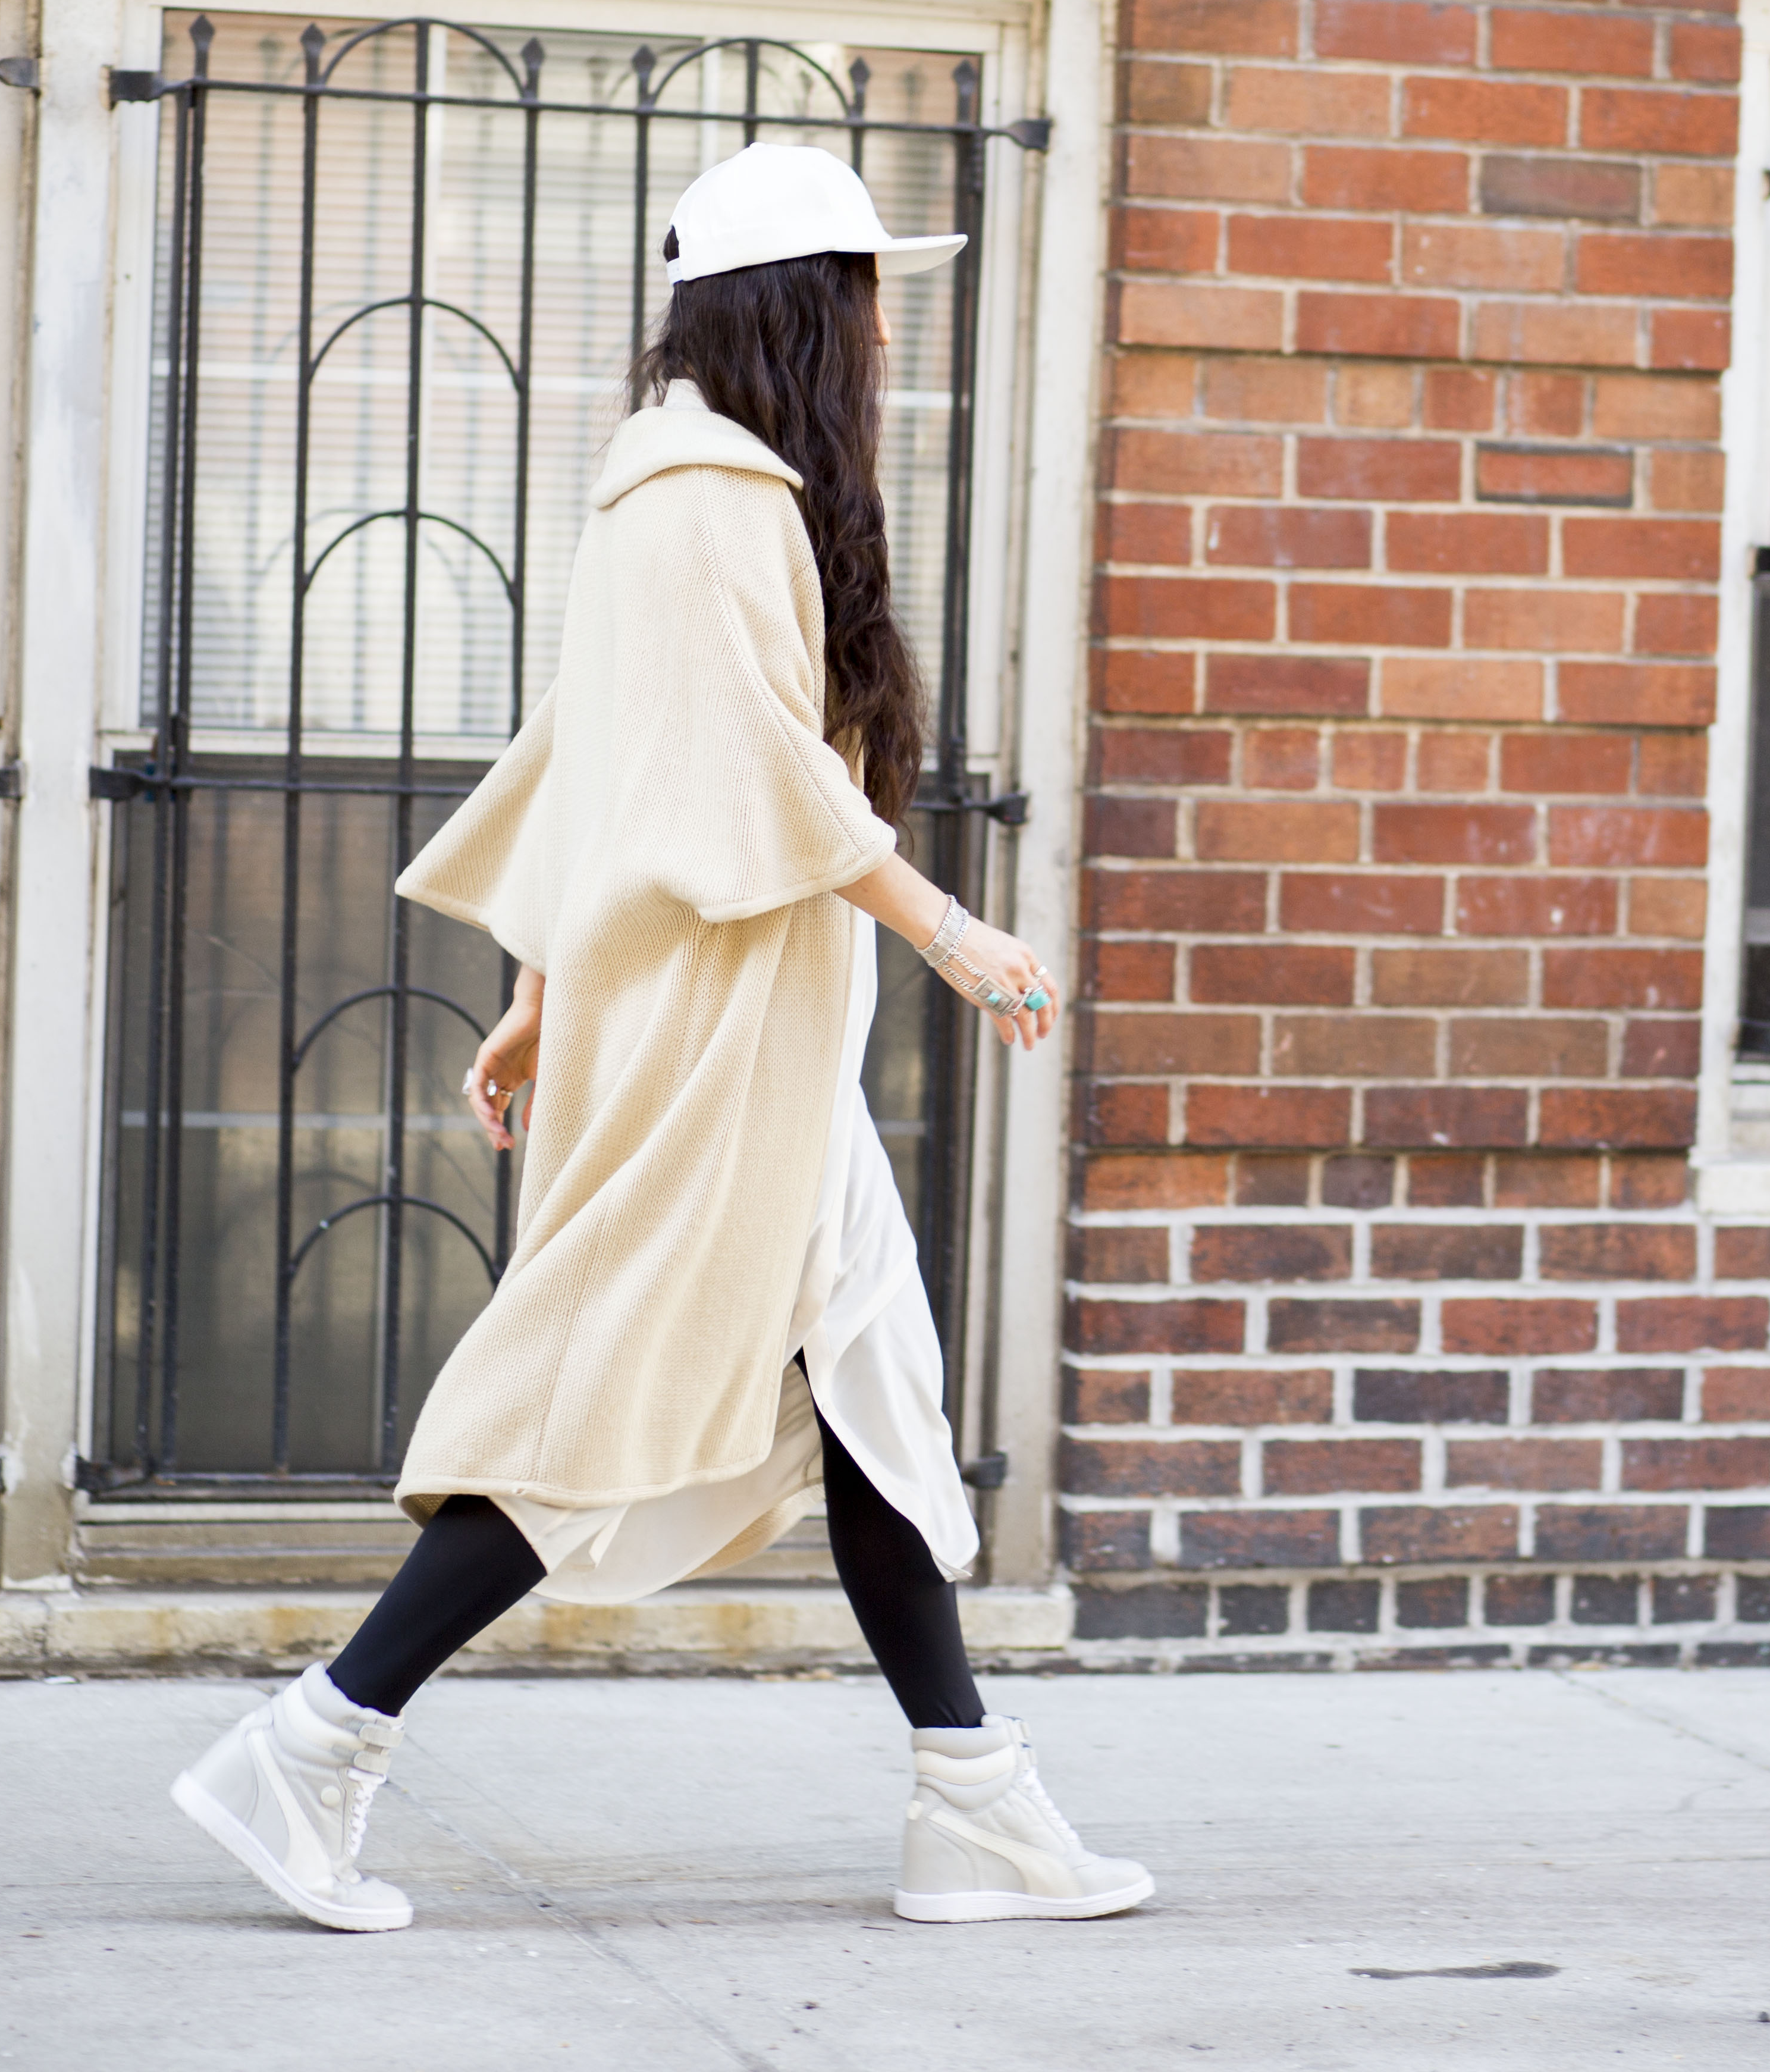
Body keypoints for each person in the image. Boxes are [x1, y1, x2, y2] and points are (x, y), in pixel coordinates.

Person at [167, 143, 1148, 1936]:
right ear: (801, 306)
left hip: (725, 1015)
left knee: (872, 1399)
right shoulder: (712, 499)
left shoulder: (688, 485)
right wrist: (957, 932)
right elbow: (738, 767)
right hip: (721, 1027)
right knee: (614, 1383)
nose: (875, 330)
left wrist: (542, 990)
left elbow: (588, 753)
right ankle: (313, 1748)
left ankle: (974, 1807)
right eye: (857, 294)